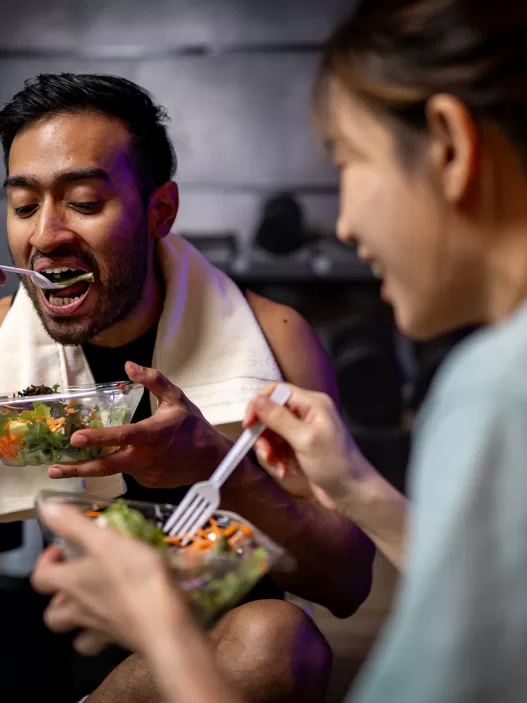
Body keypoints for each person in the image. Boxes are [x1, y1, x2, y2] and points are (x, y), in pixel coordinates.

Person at [32, 0, 527, 700]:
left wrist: (162, 625)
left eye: (347, 162)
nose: (347, 223)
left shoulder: (494, 391)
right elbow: (491, 597)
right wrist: (357, 487)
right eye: (22, 205)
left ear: (446, 144)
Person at [0, 73, 375, 702]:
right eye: (23, 206)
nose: (45, 235)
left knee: (279, 638)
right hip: (64, 640)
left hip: (223, 643)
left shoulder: (276, 339)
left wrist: (222, 471)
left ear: (160, 211)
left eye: (85, 203)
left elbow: (347, 582)